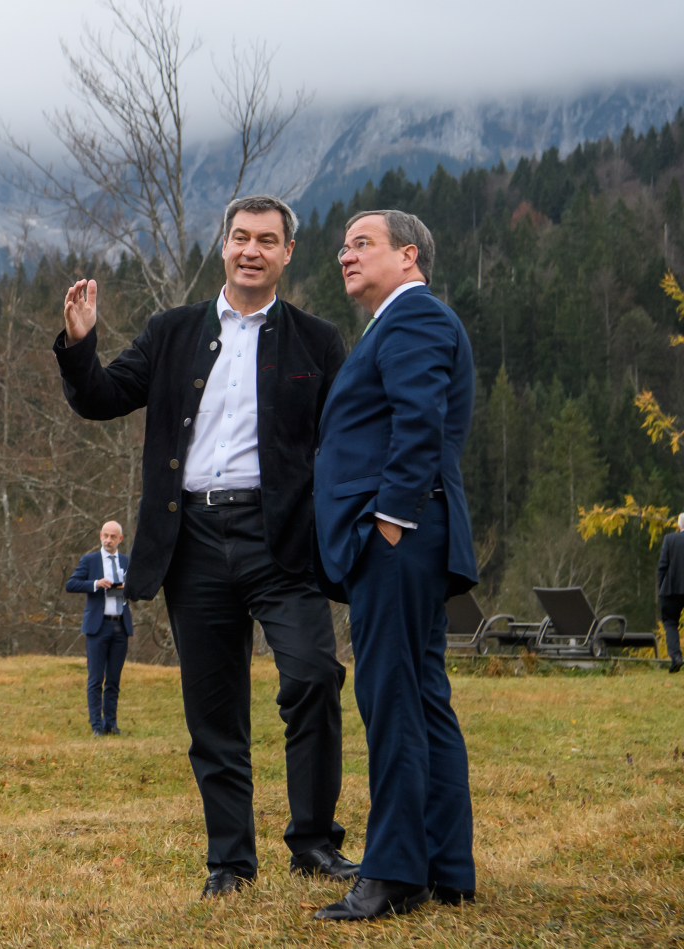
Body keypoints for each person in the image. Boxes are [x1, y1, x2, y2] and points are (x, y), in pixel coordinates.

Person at [54, 195, 355, 898]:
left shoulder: (318, 341)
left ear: (286, 254)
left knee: (313, 676)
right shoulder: (173, 331)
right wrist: (79, 343)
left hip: (283, 542)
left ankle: (313, 843)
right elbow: (100, 396)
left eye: (268, 240)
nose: (252, 249)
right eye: (241, 237)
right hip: (191, 540)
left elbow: (341, 447)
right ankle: (230, 862)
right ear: (223, 246)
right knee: (213, 711)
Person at [312, 209, 479, 921]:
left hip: (400, 540)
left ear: (409, 255)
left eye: (362, 244)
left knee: (391, 700)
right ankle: (447, 866)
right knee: (422, 696)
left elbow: (419, 420)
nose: (345, 255)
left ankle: (392, 873)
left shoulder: (415, 318)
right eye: (343, 246)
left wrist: (387, 523)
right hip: (409, 541)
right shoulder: (396, 321)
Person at [66, 520, 134, 735]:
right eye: (105, 535)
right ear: (100, 536)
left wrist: (127, 589)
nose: (108, 540)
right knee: (96, 679)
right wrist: (96, 584)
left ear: (120, 539)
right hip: (98, 626)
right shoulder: (90, 560)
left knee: (113, 680)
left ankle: (111, 724)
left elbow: (137, 591)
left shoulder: (127, 561)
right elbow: (72, 584)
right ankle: (97, 726)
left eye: (113, 536)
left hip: (120, 626)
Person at [656, 514, 684, 674]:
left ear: (679, 526)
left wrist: (662, 587)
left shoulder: (670, 539)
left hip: (672, 589)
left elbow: (662, 566)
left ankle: (676, 658)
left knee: (670, 623)